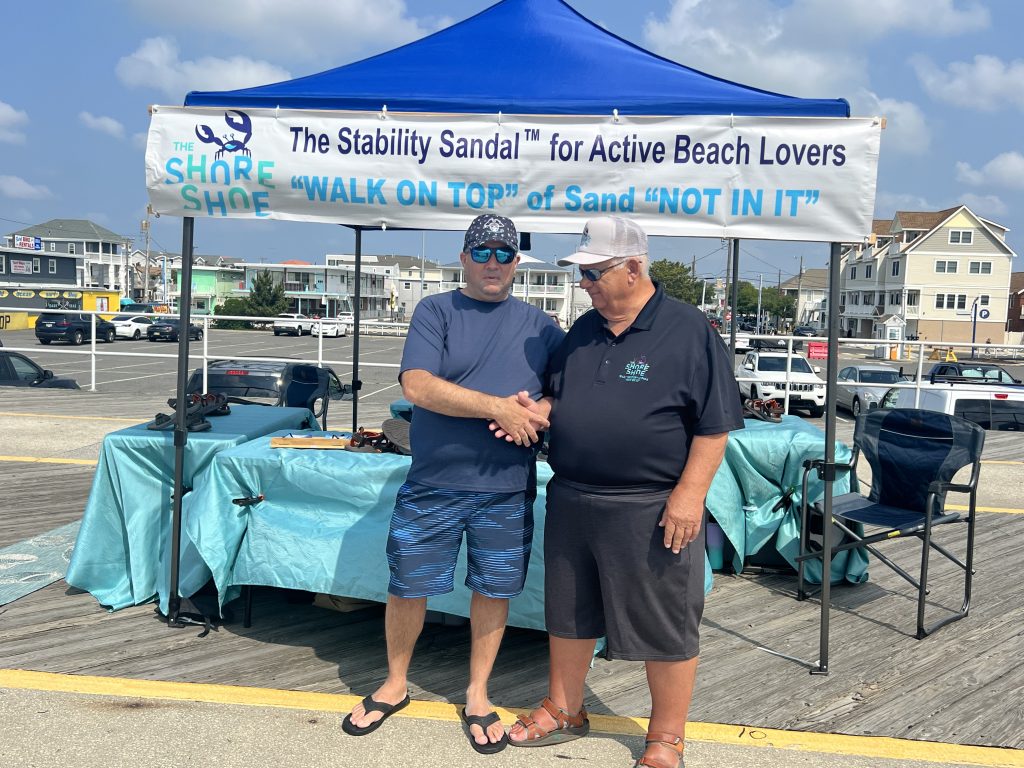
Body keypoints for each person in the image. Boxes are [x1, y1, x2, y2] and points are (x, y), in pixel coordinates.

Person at [504, 216, 744, 768]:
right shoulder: (584, 331)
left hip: (652, 505)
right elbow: (562, 398)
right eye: (581, 274)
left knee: (666, 624)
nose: (583, 284)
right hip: (572, 496)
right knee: (568, 613)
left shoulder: (689, 331)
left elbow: (715, 426)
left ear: (633, 268)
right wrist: (537, 412)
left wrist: (689, 496)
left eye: (592, 272)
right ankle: (565, 709)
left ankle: (665, 737)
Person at [342, 214, 564, 754]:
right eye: (482, 252)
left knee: (493, 590)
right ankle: (395, 685)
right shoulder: (434, 310)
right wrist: (495, 408)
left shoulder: (544, 327)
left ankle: (478, 693)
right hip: (434, 480)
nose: (493, 263)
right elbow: (417, 386)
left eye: (504, 254)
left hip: (507, 486)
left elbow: (562, 397)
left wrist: (536, 414)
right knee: (408, 584)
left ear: (517, 263)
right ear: (463, 258)